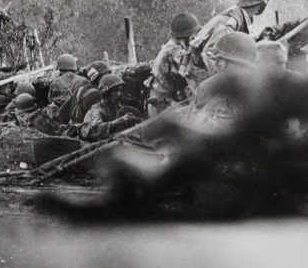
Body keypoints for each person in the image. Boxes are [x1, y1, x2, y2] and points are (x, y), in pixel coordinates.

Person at [40, 32, 308, 220]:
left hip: (236, 175)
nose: (214, 65)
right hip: (263, 172)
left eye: (218, 60)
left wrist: (174, 132)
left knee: (167, 157)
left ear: (225, 61)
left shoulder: (219, 86)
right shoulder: (278, 86)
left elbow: (206, 134)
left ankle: (116, 207)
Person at [182, 0, 274, 89]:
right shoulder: (229, 25)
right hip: (202, 85)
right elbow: (211, 56)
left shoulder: (240, 17)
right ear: (262, 2)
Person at [147, 13, 199, 115]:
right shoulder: (174, 50)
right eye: (193, 37)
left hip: (164, 102)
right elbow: (182, 82)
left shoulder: (174, 46)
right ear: (185, 37)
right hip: (163, 106)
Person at [80, 75, 143, 142]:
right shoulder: (97, 108)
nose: (119, 94)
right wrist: (116, 122)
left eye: (121, 90)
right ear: (106, 93)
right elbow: (95, 130)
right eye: (115, 91)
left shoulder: (119, 106)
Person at [46, 54, 90, 123]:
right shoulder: (84, 80)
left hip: (61, 118)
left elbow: (50, 98)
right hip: (79, 116)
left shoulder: (55, 82)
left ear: (60, 67)